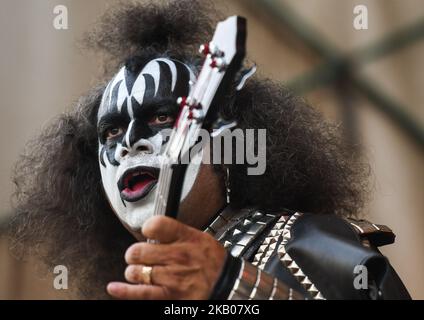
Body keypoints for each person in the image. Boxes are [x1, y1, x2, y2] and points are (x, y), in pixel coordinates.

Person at [9, 0, 410, 300]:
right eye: (111, 130)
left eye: (162, 117)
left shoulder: (306, 243)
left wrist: (231, 286)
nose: (131, 140)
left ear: (227, 137)